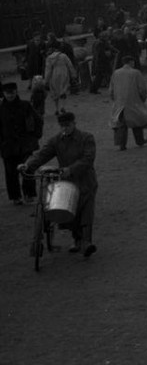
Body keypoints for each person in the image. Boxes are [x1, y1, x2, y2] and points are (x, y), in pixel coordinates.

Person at [21, 110, 98, 258]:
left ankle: (87, 242)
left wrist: (71, 169)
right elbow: (43, 154)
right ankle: (77, 240)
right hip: (67, 181)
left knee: (86, 210)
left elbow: (88, 159)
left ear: (74, 124)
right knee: (71, 210)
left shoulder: (86, 138)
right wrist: (28, 165)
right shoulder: (56, 141)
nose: (64, 128)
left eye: (67, 125)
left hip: (86, 180)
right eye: (62, 126)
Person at [0, 80, 40, 205]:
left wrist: (35, 137)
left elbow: (37, 121)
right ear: (3, 94)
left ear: (16, 92)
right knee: (11, 173)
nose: (10, 95)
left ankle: (29, 194)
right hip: (8, 146)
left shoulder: (25, 106)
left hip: (25, 145)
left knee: (28, 170)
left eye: (12, 93)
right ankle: (15, 196)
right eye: (7, 93)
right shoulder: (1, 109)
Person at [109, 54, 147, 149]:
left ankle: (121, 144)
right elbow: (142, 89)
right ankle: (139, 140)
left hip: (119, 102)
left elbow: (111, 89)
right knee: (137, 122)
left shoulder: (116, 73)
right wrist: (142, 98)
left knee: (121, 123)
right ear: (131, 62)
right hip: (134, 100)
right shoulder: (136, 73)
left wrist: (114, 98)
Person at [43, 42, 76, 117]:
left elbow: (48, 70)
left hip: (54, 74)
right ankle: (63, 106)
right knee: (63, 90)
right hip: (64, 73)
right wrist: (73, 75)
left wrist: (46, 81)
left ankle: (56, 109)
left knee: (55, 92)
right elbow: (70, 65)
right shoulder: (63, 56)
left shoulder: (49, 58)